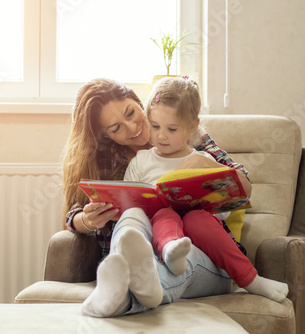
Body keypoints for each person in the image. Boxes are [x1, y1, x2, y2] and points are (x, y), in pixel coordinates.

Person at [61, 78, 279, 318]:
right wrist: (88, 220)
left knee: (181, 259)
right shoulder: (113, 160)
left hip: (197, 251)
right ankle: (128, 270)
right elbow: (74, 214)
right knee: (133, 215)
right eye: (116, 128)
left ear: (138, 102)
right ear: (106, 136)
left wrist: (208, 164)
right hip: (145, 249)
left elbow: (241, 187)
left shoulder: (185, 131)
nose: (132, 127)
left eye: (131, 113)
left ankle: (118, 296)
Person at [123, 77, 288, 302]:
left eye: (172, 129)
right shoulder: (141, 161)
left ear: (192, 126)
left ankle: (251, 279)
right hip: (157, 234)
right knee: (164, 214)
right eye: (155, 126)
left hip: (201, 236)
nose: (161, 136)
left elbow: (224, 209)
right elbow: (129, 207)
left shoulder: (204, 159)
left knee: (196, 219)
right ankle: (171, 249)